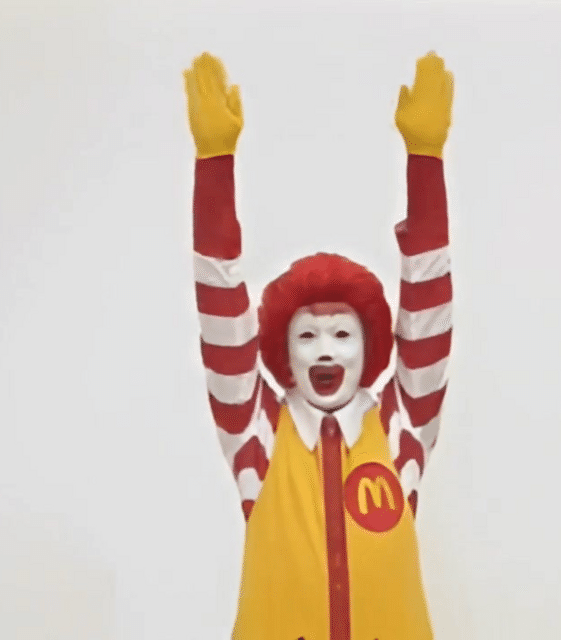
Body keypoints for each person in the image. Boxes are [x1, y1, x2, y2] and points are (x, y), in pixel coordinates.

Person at [184, 50, 454, 640]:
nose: (325, 350)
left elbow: (428, 313)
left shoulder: (401, 428)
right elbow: (221, 311)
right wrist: (215, 162)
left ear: (368, 346)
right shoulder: (256, 434)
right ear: (284, 353)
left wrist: (426, 159)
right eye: (306, 335)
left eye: (342, 333)